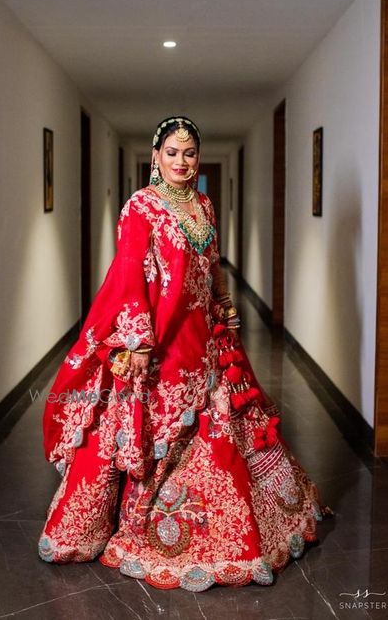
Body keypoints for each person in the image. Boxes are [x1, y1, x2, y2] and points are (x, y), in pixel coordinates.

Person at [38, 116, 332, 592]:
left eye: (189, 153)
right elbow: (129, 271)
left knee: (221, 417)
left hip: (204, 334)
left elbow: (210, 263)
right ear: (156, 156)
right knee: (160, 426)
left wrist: (225, 302)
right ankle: (140, 525)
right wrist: (138, 338)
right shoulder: (141, 206)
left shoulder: (203, 205)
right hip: (160, 338)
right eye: (172, 152)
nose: (181, 161)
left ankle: (234, 531)